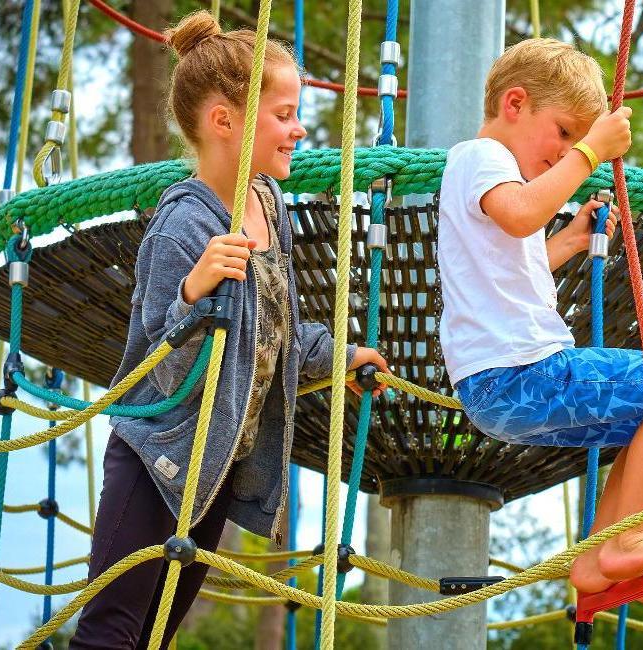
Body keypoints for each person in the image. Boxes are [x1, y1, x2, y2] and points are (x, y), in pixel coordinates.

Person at [70, 11, 389, 647]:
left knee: (156, 636)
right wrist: (195, 291)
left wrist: (342, 356)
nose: (299, 129)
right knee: (111, 631)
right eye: (284, 113)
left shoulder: (269, 205)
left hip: (219, 466)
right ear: (225, 121)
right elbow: (161, 364)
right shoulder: (184, 223)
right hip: (157, 459)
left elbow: (276, 331)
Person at [438, 38, 643, 616]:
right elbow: (521, 213)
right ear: (516, 104)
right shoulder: (483, 158)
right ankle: (627, 538)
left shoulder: (485, 174)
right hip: (524, 373)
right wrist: (589, 151)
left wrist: (572, 239)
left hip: (500, 388)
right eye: (561, 131)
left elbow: (510, 259)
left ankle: (596, 559)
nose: (563, 151)